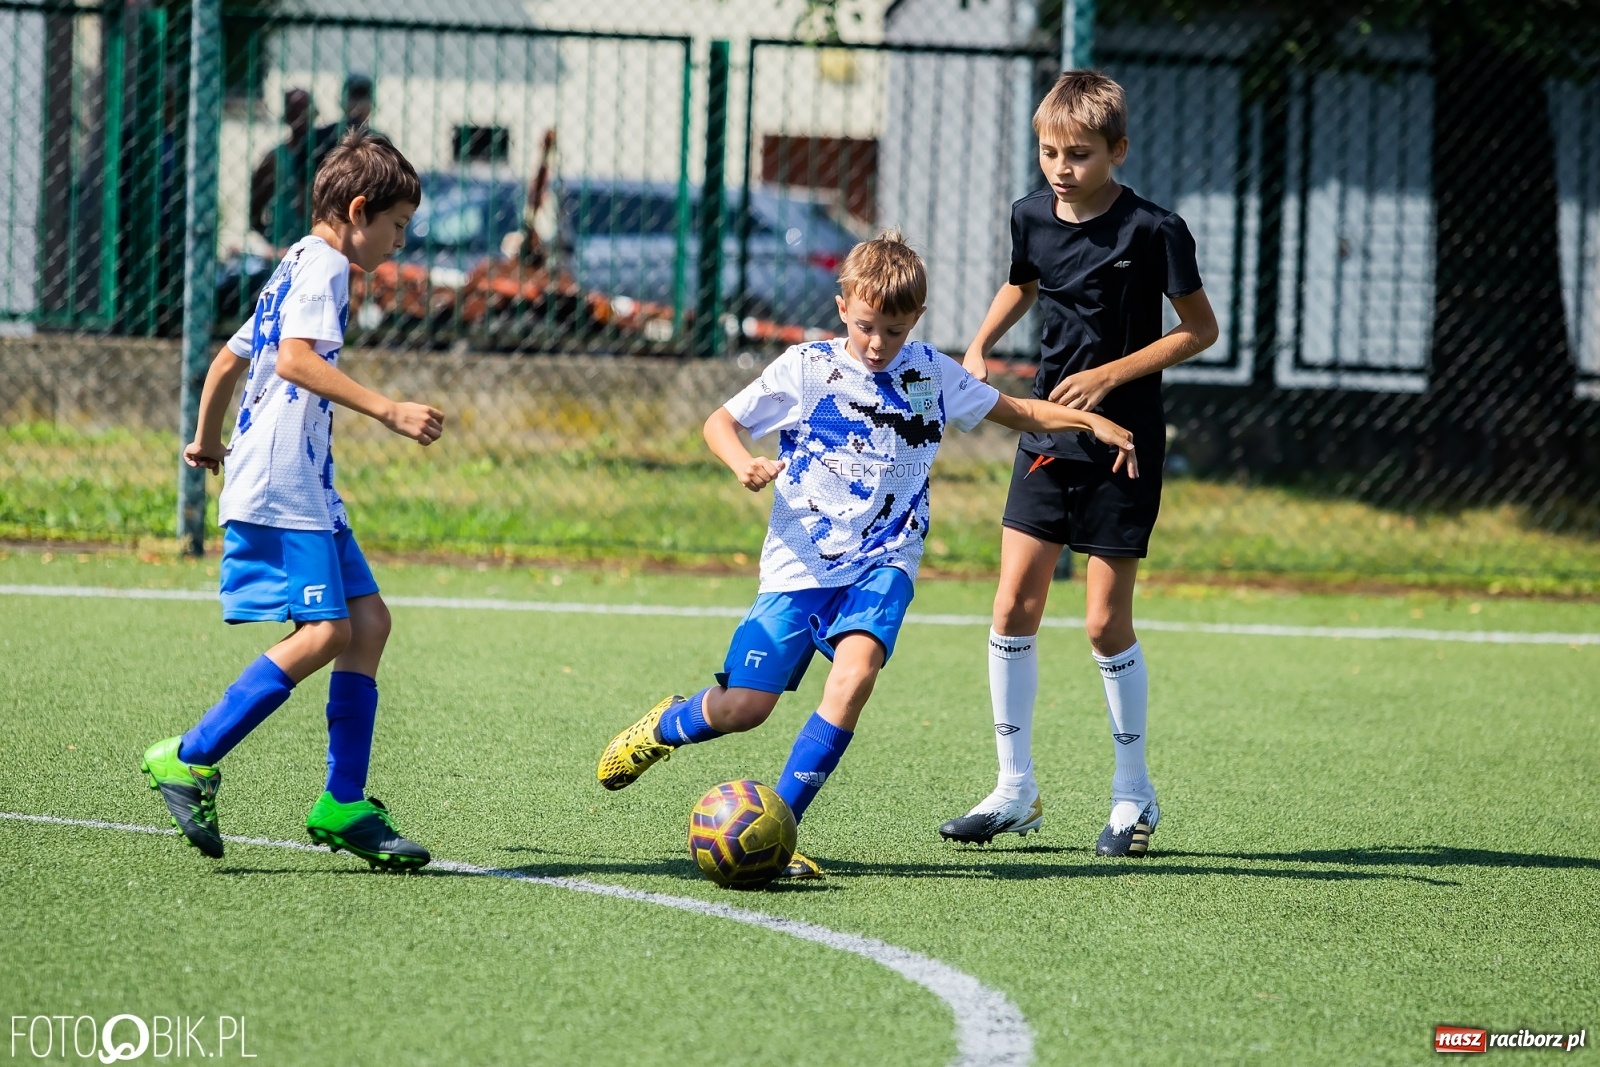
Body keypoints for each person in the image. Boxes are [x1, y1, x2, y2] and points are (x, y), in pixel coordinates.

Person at [595, 231, 1140, 879]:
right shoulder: (806, 368)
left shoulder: (932, 372)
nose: (878, 343)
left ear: (917, 320)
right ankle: (667, 724)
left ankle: (780, 827)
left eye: (893, 328)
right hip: (800, 566)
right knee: (746, 707)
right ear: (841, 307)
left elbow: (1018, 410)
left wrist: (1088, 421)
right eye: (865, 326)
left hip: (885, 562)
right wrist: (743, 463)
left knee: (853, 679)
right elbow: (722, 421)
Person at [139, 130, 445, 869]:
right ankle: (189, 754)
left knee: (369, 622)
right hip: (283, 481)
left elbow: (225, 362)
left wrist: (207, 441)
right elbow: (295, 359)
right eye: (397, 226)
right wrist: (389, 410)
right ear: (359, 209)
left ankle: (342, 801)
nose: (399, 243)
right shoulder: (327, 267)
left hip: (299, 479)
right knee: (326, 632)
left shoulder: (291, 267)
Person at [938, 70, 1219, 857]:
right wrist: (979, 343)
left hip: (1125, 443)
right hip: (1046, 434)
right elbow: (1022, 281)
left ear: (1117, 151)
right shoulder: (1031, 214)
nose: (1061, 167)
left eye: (1080, 154)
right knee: (1012, 607)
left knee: (1102, 622)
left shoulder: (1156, 229)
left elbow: (1200, 329)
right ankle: (1013, 789)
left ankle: (1134, 796)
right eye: (1049, 152)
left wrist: (1111, 374)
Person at [249, 88, 315, 249]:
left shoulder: (326, 156)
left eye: (304, 109)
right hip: (284, 247)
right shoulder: (275, 158)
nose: (300, 116)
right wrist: (274, 244)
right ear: (286, 116)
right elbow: (255, 210)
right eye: (294, 110)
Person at [311, 74, 379, 177]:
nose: (359, 104)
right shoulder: (321, 136)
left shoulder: (379, 140)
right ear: (341, 100)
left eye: (364, 97)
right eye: (353, 96)